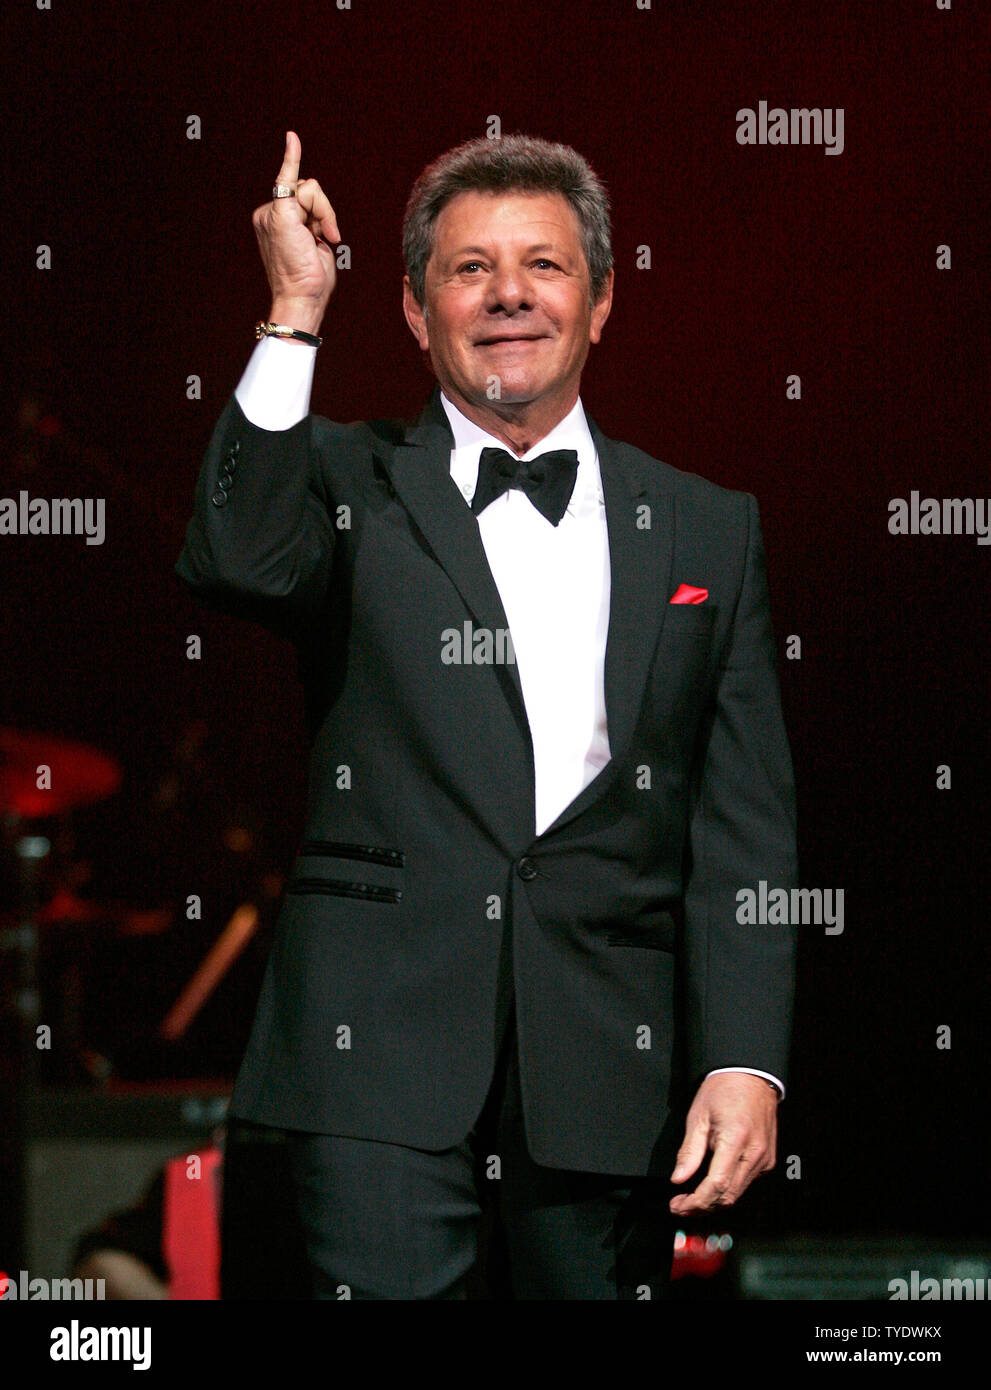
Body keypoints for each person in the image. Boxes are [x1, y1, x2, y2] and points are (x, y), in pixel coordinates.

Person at [175, 130, 798, 1300]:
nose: (508, 293)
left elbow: (744, 827)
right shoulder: (349, 476)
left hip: (607, 1070)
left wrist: (745, 1061)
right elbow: (234, 556)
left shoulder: (711, 525)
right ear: (413, 313)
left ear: (602, 300)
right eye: (468, 268)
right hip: (376, 1065)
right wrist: (295, 310)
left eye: (544, 265)